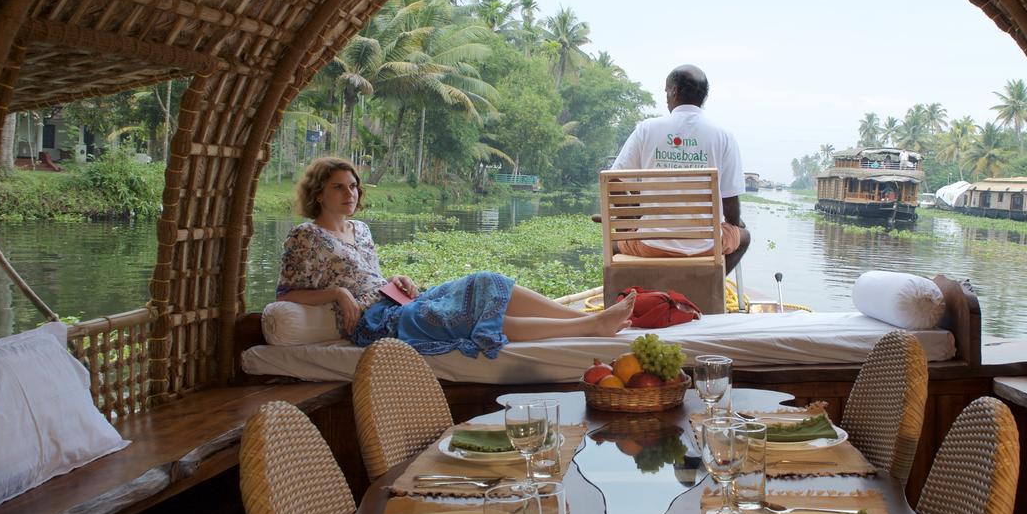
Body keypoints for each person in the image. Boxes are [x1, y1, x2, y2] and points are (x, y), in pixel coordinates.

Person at [277, 157, 635, 358]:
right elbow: (287, 294)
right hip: (374, 324)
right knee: (465, 313)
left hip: (395, 301)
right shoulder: (307, 236)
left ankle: (589, 316)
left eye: (353, 185)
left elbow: (372, 277)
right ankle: (589, 326)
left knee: (486, 281)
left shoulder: (362, 230)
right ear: (318, 193)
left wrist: (397, 281)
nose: (350, 193)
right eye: (339, 186)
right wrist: (339, 294)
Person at [608, 64, 751, 272]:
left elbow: (613, 180)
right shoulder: (723, 136)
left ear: (674, 91)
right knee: (744, 237)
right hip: (707, 247)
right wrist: (735, 225)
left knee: (613, 245)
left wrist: (631, 220)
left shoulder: (647, 129)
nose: (666, 97)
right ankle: (711, 285)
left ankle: (634, 295)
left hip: (649, 245)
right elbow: (730, 203)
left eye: (666, 91)